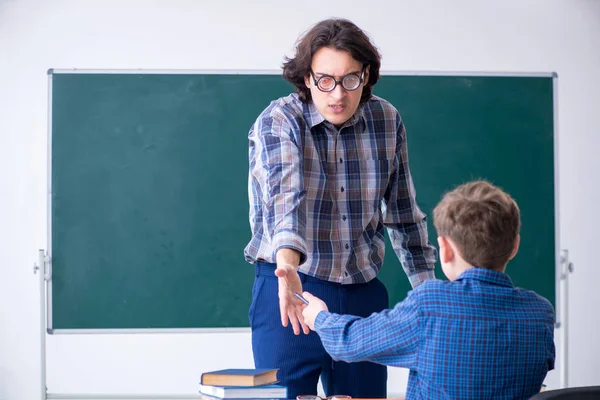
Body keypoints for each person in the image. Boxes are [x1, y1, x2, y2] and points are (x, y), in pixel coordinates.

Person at [244, 18, 437, 399]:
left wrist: (429, 294)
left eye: (350, 79)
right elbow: (286, 199)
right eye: (325, 80)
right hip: (290, 289)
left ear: (367, 75)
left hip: (361, 297)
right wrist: (287, 268)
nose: (337, 94)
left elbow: (402, 212)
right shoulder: (280, 120)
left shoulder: (386, 119)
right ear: (307, 78)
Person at [302, 180, 556, 400]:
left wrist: (318, 317)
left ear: (444, 249)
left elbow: (348, 342)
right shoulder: (540, 314)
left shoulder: (431, 304)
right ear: (515, 246)